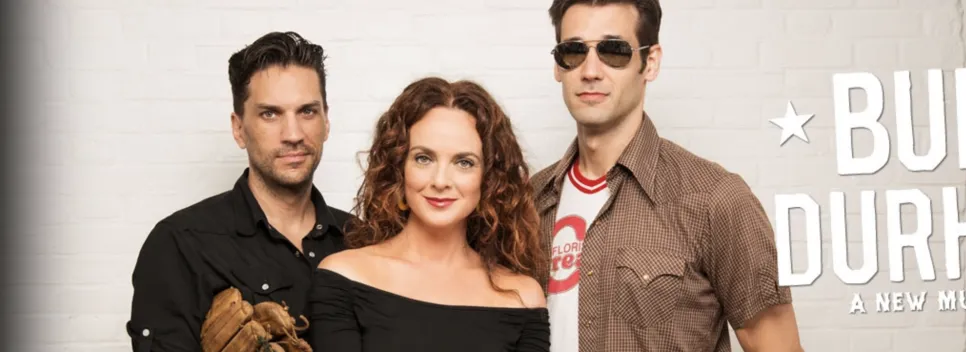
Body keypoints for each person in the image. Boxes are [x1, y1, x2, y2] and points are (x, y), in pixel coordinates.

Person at [534, 1, 807, 351]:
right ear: (558, 66)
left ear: (650, 62)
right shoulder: (528, 203)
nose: (590, 71)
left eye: (613, 50)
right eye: (572, 51)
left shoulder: (715, 200)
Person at [126, 31, 352, 350]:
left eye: (307, 111)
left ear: (326, 121)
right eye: (269, 113)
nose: (293, 133)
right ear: (238, 128)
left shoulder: (361, 239)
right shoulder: (181, 245)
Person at [306, 77, 550, 351]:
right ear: (399, 166)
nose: (440, 180)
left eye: (464, 162)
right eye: (424, 158)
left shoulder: (523, 297)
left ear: (488, 179)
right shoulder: (343, 276)